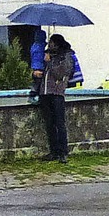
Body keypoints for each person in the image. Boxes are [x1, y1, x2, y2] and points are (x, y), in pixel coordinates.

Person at [36, 33, 75, 164]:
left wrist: (50, 62)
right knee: (50, 124)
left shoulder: (66, 57)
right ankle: (54, 151)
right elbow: (46, 75)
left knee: (60, 123)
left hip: (57, 93)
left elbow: (60, 74)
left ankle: (63, 152)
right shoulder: (49, 56)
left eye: (51, 43)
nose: (49, 45)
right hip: (45, 93)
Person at [29, 28, 47, 98]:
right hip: (39, 68)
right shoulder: (40, 47)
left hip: (34, 68)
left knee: (36, 84)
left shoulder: (34, 46)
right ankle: (33, 97)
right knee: (39, 85)